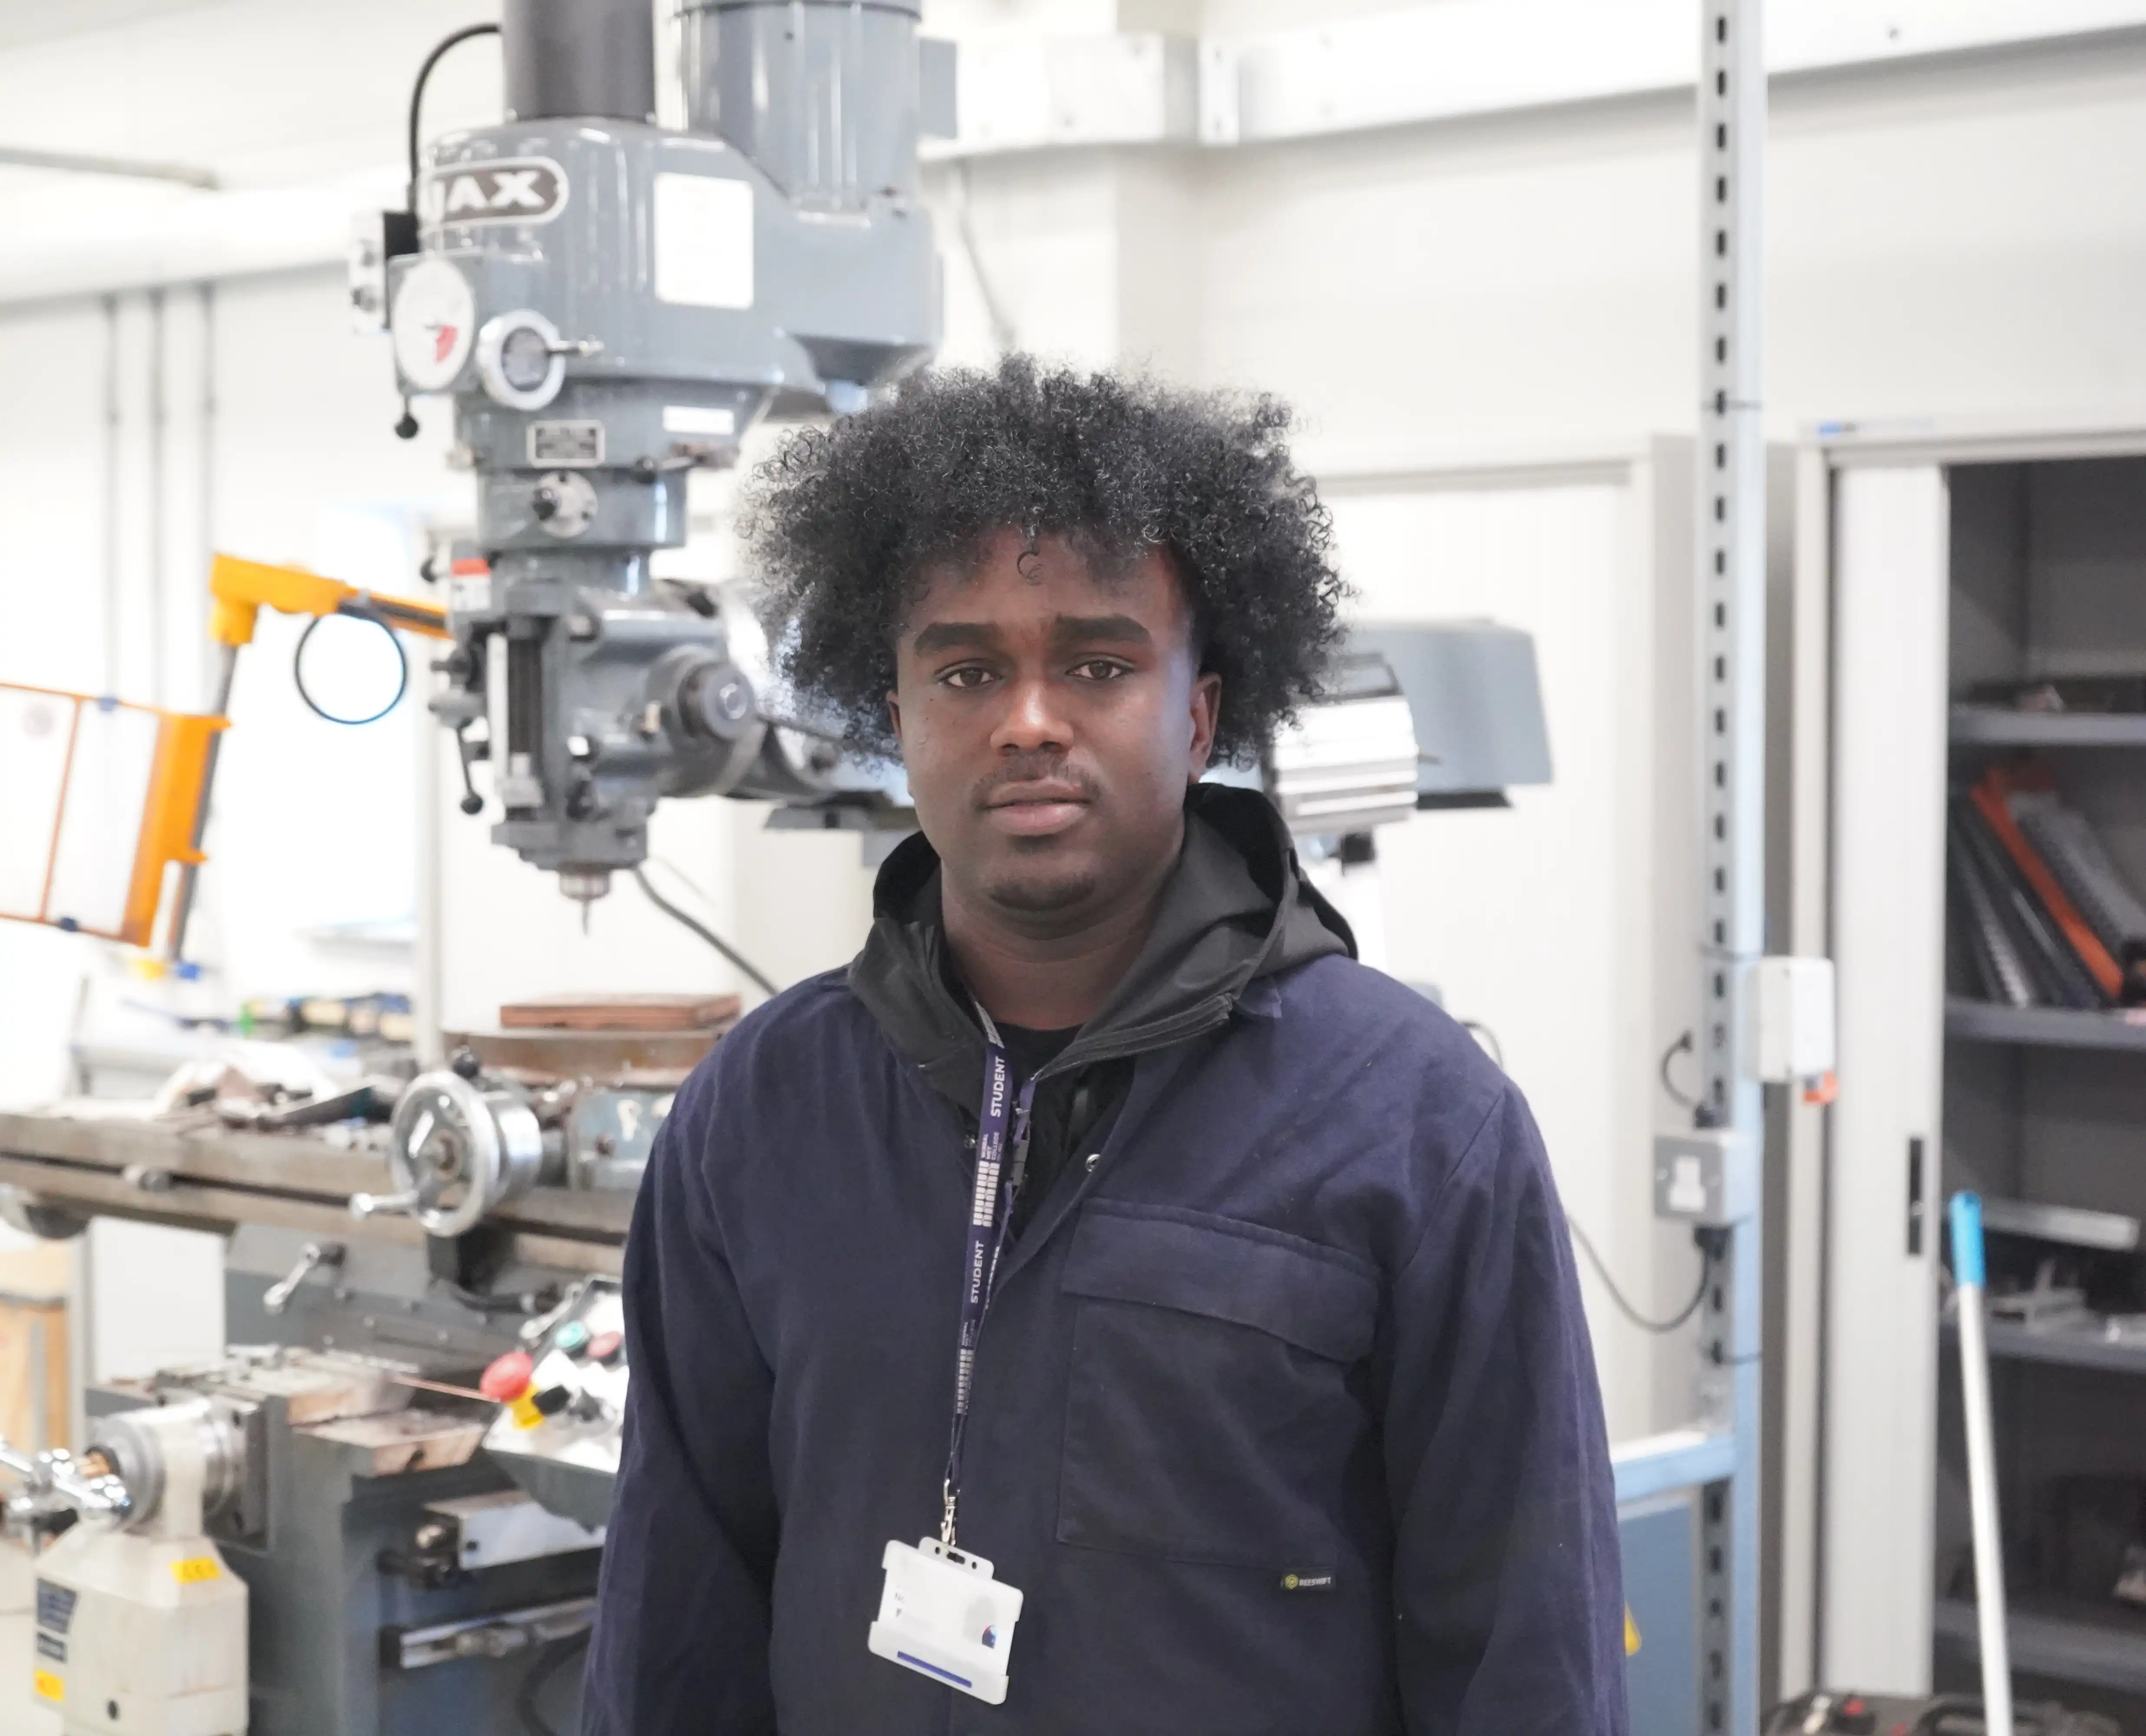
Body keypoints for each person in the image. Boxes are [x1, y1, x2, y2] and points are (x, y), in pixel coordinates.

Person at [582, 358, 1626, 1735]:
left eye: (1098, 662)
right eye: (965, 669)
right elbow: (679, 1601)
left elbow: (1523, 1645)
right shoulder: (763, 1110)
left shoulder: (1420, 1123)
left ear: (1198, 718)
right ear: (892, 718)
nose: (1029, 719)